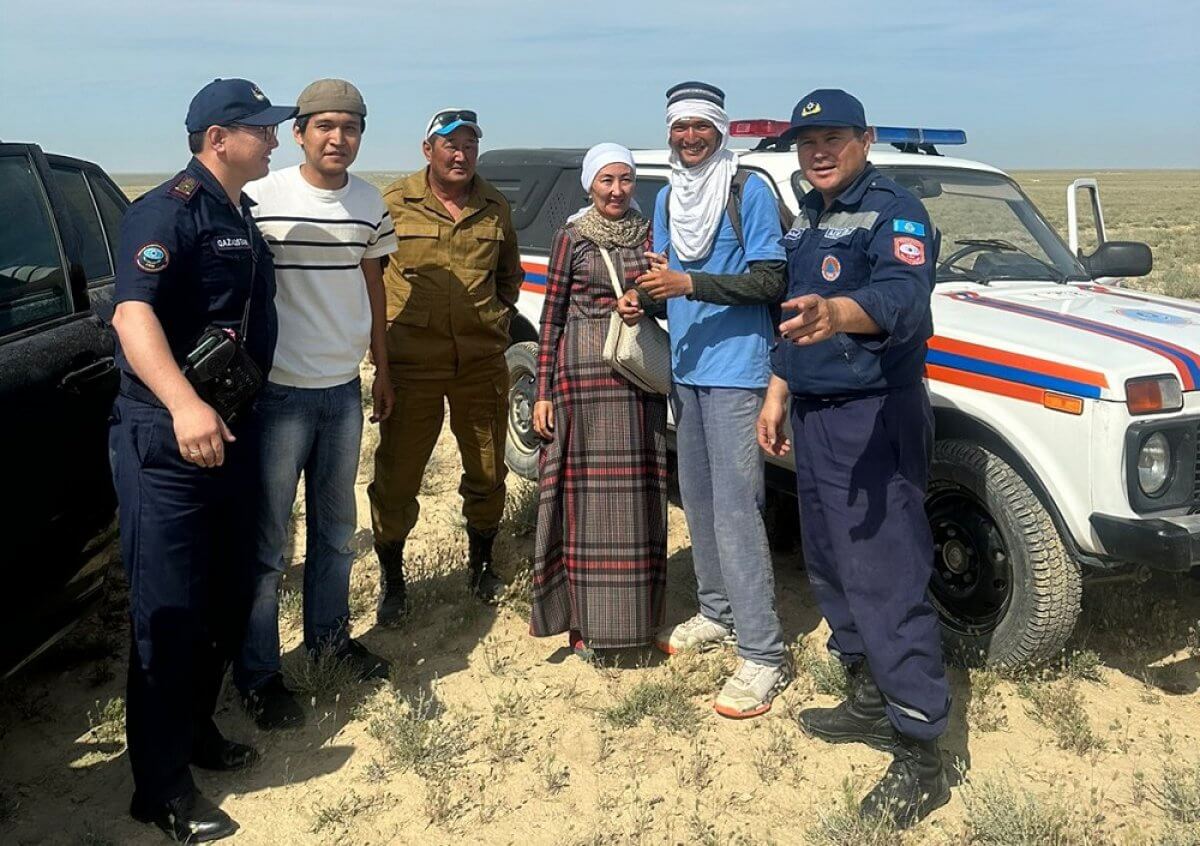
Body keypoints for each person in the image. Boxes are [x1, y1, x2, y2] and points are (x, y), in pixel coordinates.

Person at [756, 89, 949, 828]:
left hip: (874, 416)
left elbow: (905, 297)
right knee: (834, 564)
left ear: (864, 139)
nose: (817, 151)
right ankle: (871, 699)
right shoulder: (810, 214)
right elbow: (796, 313)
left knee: (886, 574)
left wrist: (841, 313)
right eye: (806, 142)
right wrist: (778, 392)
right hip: (814, 413)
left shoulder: (895, 208)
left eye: (832, 137)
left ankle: (920, 751)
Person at [109, 78, 294, 841]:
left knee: (222, 597)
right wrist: (185, 405)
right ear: (219, 137)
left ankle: (194, 735)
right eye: (262, 130)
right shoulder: (168, 211)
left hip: (230, 433)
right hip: (169, 439)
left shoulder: (238, 214)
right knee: (170, 611)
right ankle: (159, 788)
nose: (275, 140)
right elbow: (132, 312)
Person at [233, 79, 398, 731]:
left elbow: (374, 283)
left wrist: (381, 368)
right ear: (299, 132)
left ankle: (330, 641)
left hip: (341, 394)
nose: (338, 137)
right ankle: (258, 672)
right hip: (275, 397)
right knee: (269, 543)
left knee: (335, 533)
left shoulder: (369, 202)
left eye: (350, 126)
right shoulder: (259, 199)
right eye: (324, 125)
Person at [624, 81, 790, 718]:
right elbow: (667, 280)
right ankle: (718, 612)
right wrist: (648, 298)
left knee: (736, 508)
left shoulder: (747, 191)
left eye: (701, 127)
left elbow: (771, 278)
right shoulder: (668, 196)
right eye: (680, 127)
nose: (690, 137)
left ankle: (763, 652)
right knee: (694, 494)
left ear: (720, 130)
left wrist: (687, 280)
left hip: (738, 372)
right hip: (687, 369)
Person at [369, 109, 523, 622]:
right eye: (450, 144)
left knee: (486, 470)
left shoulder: (494, 205)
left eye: (470, 145)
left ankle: (481, 566)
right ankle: (393, 579)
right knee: (398, 477)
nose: (461, 155)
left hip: (480, 365)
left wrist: (491, 319)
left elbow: (509, 278)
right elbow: (369, 281)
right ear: (427, 149)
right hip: (412, 366)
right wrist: (382, 361)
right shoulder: (392, 203)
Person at [529, 143, 667, 660]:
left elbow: (668, 294)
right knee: (585, 503)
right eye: (606, 180)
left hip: (636, 380)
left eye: (625, 179)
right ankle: (583, 623)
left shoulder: (651, 233)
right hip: (580, 384)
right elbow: (551, 316)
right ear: (590, 184)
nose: (616, 190)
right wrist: (542, 391)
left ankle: (638, 622)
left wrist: (650, 298)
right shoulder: (573, 236)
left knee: (637, 499)